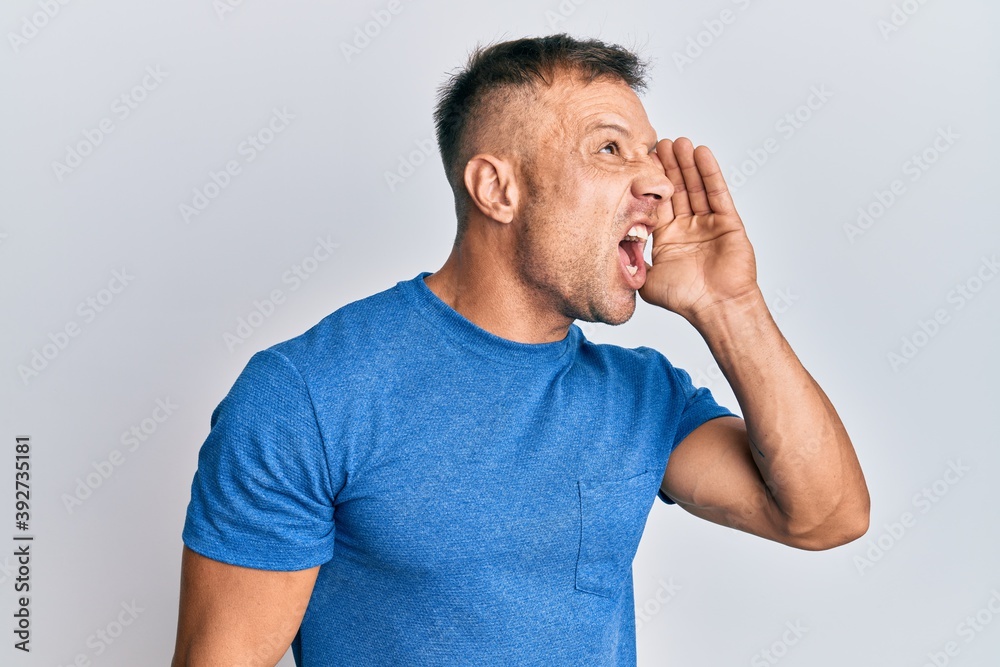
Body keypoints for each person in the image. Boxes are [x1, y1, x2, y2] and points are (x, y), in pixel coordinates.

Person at [171, 33, 869, 666]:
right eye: (609, 149)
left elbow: (825, 516)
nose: (658, 185)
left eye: (650, 155)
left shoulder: (643, 394)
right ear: (497, 189)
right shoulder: (306, 394)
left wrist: (729, 305)